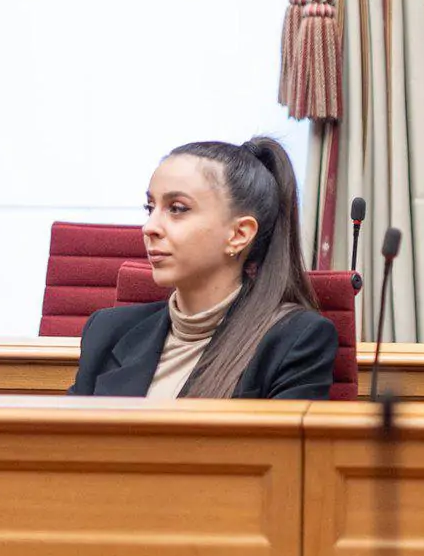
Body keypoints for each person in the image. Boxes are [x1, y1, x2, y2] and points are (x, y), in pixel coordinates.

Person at [68, 136, 337, 399]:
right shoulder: (106, 331)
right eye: (150, 208)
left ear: (239, 234)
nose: (149, 227)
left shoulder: (295, 339)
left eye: (177, 208)